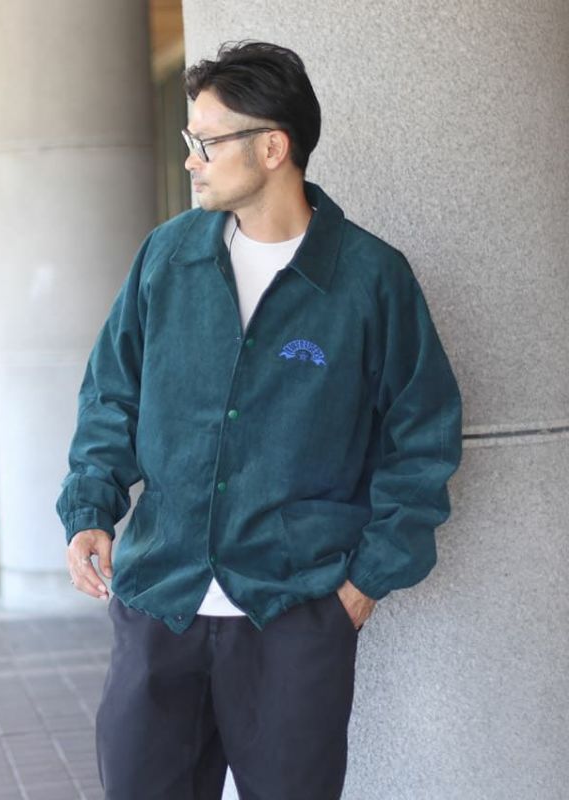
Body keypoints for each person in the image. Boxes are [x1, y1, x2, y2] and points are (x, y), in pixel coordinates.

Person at [56, 40, 462, 800]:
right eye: (190, 140)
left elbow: (423, 439)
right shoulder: (166, 257)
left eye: (207, 142)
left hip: (294, 614)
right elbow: (112, 394)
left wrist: (363, 585)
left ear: (273, 148)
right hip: (162, 601)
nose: (191, 161)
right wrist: (90, 509)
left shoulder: (370, 280)